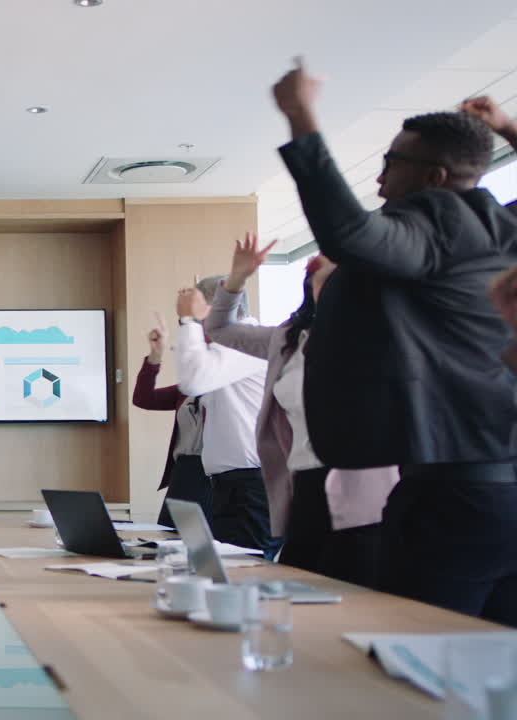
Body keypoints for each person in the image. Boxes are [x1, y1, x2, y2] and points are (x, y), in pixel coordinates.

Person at [274, 60, 517, 622]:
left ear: (433, 179)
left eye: (391, 164)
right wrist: (505, 129)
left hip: (454, 498)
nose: (380, 180)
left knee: (413, 660)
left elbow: (351, 233)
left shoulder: (434, 226)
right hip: (497, 489)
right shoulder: (500, 229)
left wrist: (301, 118)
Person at [204, 233, 395, 587]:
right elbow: (218, 329)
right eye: (323, 282)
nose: (332, 290)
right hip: (304, 480)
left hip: (361, 482)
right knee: (299, 585)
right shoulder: (289, 339)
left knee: (351, 586)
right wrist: (236, 279)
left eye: (341, 282)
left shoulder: (378, 335)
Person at [172, 278, 275, 554]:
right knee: (228, 571)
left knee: (245, 573)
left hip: (251, 484)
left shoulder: (244, 341)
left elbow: (193, 381)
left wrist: (188, 321)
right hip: (232, 484)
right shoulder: (232, 346)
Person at [131, 315, 211, 528]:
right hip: (183, 472)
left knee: (204, 543)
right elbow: (143, 398)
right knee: (169, 540)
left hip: (212, 474)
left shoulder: (228, 383)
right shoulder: (187, 388)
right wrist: (155, 357)